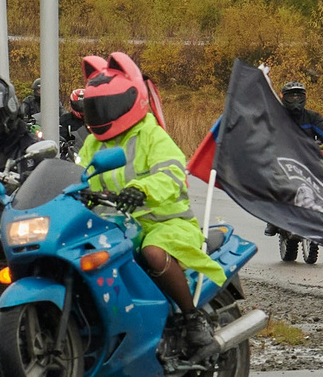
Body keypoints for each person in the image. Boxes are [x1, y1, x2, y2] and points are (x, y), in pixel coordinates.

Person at [74, 52, 223, 360]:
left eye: (108, 106)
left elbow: (171, 175)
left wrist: (140, 189)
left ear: (132, 99)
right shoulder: (93, 144)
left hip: (164, 225)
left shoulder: (152, 135)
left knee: (153, 253)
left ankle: (191, 319)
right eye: (95, 106)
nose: (101, 113)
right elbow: (79, 174)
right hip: (117, 226)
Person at [279, 80, 323, 152]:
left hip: (307, 158)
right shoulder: (274, 116)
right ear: (282, 97)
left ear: (305, 97)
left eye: (299, 98)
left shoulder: (312, 117)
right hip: (279, 158)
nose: (295, 101)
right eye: (291, 98)